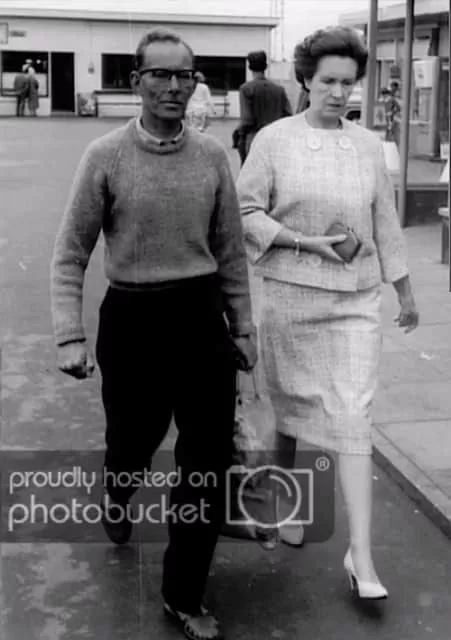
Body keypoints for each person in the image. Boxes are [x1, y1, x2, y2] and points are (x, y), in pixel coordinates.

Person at [50, 27, 257, 640]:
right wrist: (69, 334)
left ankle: (182, 592)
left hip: (200, 320)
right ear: (136, 81)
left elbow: (230, 250)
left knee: (206, 460)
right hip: (132, 322)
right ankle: (118, 490)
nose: (173, 86)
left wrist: (243, 325)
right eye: (159, 74)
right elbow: (70, 252)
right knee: (132, 442)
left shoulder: (212, 156)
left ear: (195, 83)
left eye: (183, 75)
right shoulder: (105, 156)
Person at [237, 26, 419, 599]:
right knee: (288, 408)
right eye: (328, 82)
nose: (339, 93)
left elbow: (384, 219)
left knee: (353, 417)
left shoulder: (367, 145)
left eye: (348, 83)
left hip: (355, 299)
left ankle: (360, 556)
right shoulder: (274, 141)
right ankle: (287, 504)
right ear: (306, 81)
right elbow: (244, 210)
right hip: (289, 296)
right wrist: (301, 241)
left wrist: (404, 288)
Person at [237, 50, 292, 164]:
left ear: (250, 67)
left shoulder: (246, 89)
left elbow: (247, 119)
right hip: (276, 140)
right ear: (266, 67)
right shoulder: (279, 90)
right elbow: (288, 115)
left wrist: (239, 133)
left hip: (254, 138)